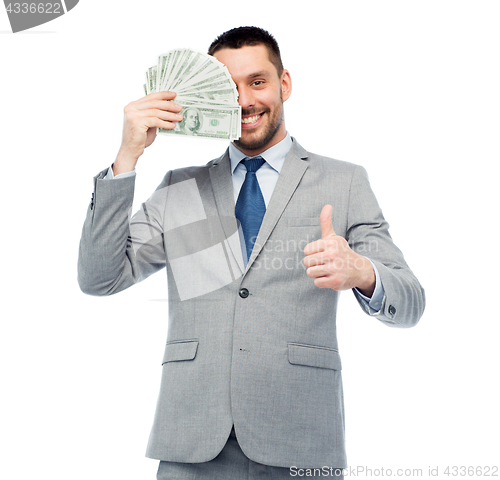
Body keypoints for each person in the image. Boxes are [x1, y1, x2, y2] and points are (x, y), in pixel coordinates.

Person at [78, 26, 425, 480]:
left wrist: (364, 273)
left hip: (301, 439)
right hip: (191, 442)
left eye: (257, 82)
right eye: (227, 86)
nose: (243, 101)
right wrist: (127, 158)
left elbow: (411, 303)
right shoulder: (180, 188)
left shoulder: (345, 182)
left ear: (284, 84)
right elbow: (99, 278)